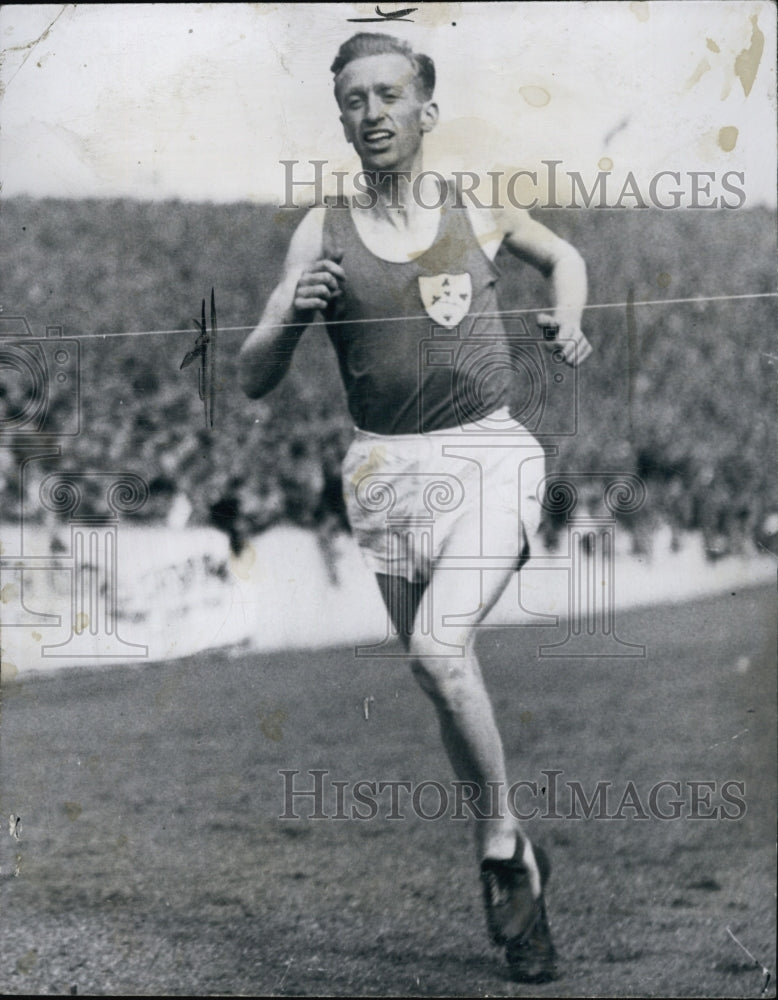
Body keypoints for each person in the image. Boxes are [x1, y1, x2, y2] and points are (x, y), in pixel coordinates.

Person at [239, 32, 591, 983]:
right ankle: (517, 850)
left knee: (439, 650)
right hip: (383, 473)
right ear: (343, 120)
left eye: (391, 95)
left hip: (488, 455)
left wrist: (569, 314)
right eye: (355, 100)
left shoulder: (472, 206)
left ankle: (496, 851)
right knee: (446, 671)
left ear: (426, 111)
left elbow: (564, 256)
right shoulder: (320, 232)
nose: (374, 114)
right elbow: (253, 377)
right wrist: (287, 318)